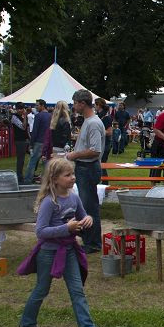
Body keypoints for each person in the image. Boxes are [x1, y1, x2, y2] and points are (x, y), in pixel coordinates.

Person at [16, 157, 106, 327]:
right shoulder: (50, 202)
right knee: (42, 289)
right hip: (49, 253)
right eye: (68, 175)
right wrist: (67, 228)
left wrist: (88, 219)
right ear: (55, 179)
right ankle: (27, 322)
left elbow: (83, 216)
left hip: (69, 251)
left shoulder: (73, 197)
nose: (73, 178)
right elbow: (40, 231)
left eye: (73, 174)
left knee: (77, 291)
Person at [66, 89, 104, 254]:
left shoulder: (93, 123)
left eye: (75, 103)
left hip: (88, 167)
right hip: (84, 167)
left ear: (82, 103)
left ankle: (93, 243)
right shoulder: (88, 121)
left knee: (89, 206)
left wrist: (75, 154)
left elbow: (95, 150)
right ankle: (89, 239)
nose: (74, 106)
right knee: (85, 205)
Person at [25, 99, 51, 184]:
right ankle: (46, 179)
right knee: (46, 162)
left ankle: (28, 179)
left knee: (32, 162)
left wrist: (31, 144)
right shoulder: (50, 116)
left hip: (39, 141)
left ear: (42, 105)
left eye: (37, 105)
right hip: (47, 142)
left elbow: (35, 131)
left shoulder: (38, 116)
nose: (36, 107)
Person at [11, 103, 30, 184]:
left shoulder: (22, 116)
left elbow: (27, 128)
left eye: (22, 108)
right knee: (20, 159)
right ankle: (19, 176)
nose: (21, 110)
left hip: (25, 139)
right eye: (19, 108)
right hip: (19, 140)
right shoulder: (14, 117)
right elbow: (23, 127)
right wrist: (25, 116)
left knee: (23, 159)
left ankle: (22, 175)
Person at [95, 98, 113, 165]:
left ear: (99, 105)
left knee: (102, 165)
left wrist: (97, 131)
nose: (94, 106)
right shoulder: (98, 116)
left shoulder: (106, 117)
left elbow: (109, 132)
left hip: (105, 144)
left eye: (95, 105)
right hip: (99, 143)